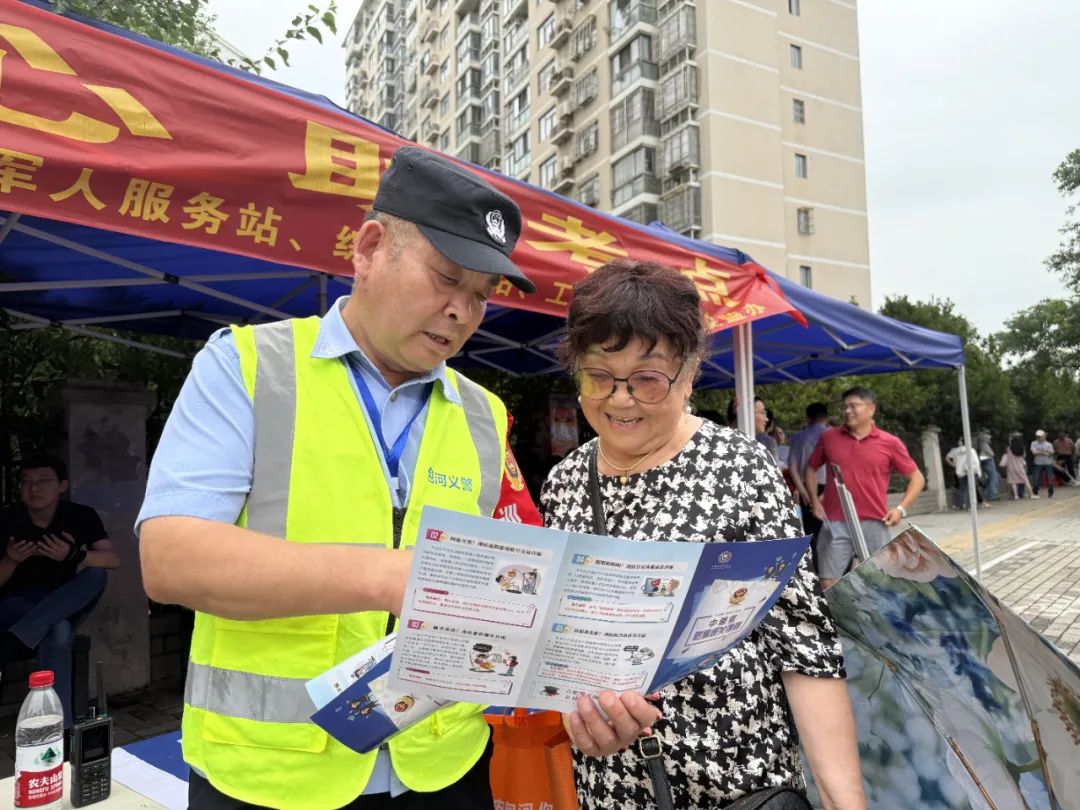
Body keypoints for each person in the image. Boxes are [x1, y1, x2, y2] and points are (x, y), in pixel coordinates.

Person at [136, 147, 571, 810]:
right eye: (446, 278)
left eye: (480, 296)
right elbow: (171, 559)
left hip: (444, 769)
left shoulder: (484, 414)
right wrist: (390, 576)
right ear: (369, 249)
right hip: (272, 776)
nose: (461, 311)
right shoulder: (249, 366)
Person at [541, 261, 866, 809]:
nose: (620, 399)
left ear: (689, 373)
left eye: (647, 379)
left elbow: (803, 643)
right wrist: (580, 716)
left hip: (738, 782)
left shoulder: (740, 468)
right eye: (599, 377)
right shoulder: (564, 483)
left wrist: (845, 800)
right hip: (613, 788)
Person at [0, 453, 118, 726]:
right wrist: (11, 560)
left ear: (62, 485)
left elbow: (112, 560)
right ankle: (60, 729)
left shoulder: (80, 516)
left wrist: (74, 556)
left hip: (63, 600)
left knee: (96, 574)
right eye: (27, 481)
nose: (34, 488)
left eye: (43, 481)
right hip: (15, 606)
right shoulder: (6, 520)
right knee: (59, 629)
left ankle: (24, 634)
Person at [806, 387, 925, 591]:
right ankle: (835, 613)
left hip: (875, 521)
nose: (847, 411)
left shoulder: (890, 442)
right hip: (835, 522)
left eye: (853, 406)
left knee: (881, 581)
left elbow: (917, 478)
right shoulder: (829, 437)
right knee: (828, 582)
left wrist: (900, 509)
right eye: (844, 407)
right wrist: (815, 501)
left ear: (871, 409)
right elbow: (810, 468)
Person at [788, 403, 830, 549]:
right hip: (828, 488)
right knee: (832, 532)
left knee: (811, 534)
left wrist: (804, 493)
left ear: (808, 418)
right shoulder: (832, 436)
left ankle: (814, 562)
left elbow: (792, 468)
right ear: (826, 417)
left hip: (805, 488)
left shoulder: (797, 438)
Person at [945, 439, 986, 511]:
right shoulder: (971, 450)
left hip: (960, 472)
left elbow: (955, 462)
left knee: (962, 488)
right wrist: (978, 472)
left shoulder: (956, 451)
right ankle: (970, 506)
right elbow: (976, 461)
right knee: (971, 488)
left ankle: (960, 505)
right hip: (971, 471)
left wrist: (956, 467)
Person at [1000, 433, 1030, 499]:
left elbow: (1006, 456)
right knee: (1024, 480)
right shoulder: (1022, 448)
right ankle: (1023, 494)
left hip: (1011, 467)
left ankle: (1015, 495)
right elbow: (1024, 456)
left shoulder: (1008, 448)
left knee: (1013, 481)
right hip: (1021, 465)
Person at [976, 428, 1001, 501]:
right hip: (988, 460)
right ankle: (992, 495)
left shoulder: (980, 439)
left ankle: (983, 483)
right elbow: (992, 454)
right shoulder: (984, 442)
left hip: (984, 460)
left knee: (997, 476)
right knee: (993, 477)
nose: (990, 437)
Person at [1030, 429, 1055, 498]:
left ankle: (1050, 492)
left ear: (1044, 436)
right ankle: (1035, 493)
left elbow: (1051, 452)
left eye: (1040, 436)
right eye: (1037, 436)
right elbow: (1034, 453)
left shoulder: (1048, 444)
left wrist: (1041, 452)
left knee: (1050, 480)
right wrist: (1044, 452)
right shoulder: (1033, 443)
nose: (1038, 438)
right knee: (1036, 479)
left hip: (1048, 463)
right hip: (1038, 463)